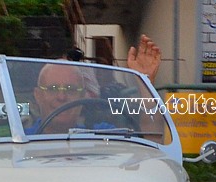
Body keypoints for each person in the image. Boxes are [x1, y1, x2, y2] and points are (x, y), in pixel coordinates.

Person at [27, 35, 163, 134]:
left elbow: (152, 142)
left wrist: (144, 83)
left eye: (71, 89)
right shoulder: (18, 142)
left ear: (82, 96)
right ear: (37, 95)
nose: (61, 96)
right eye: (53, 89)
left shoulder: (101, 135)